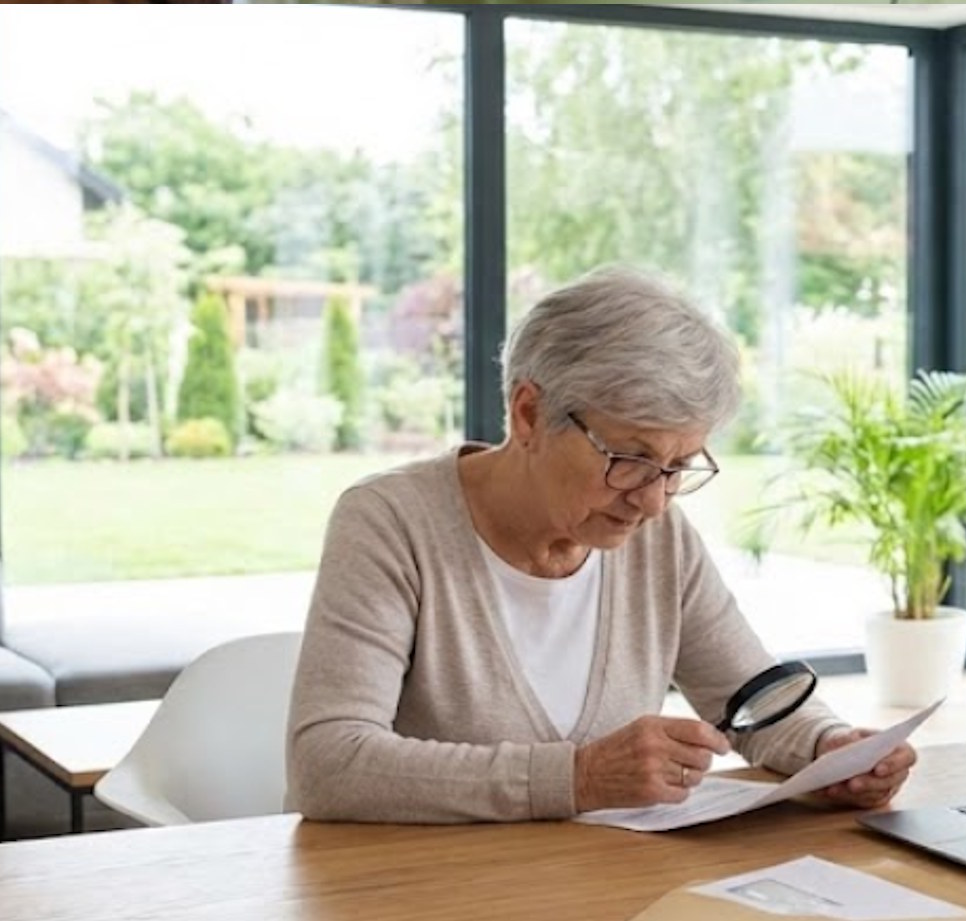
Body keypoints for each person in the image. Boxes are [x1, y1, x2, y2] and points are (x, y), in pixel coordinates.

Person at [286, 267, 917, 824]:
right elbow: (329, 763)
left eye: (680, 465)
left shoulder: (658, 536)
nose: (653, 500)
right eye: (630, 457)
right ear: (529, 413)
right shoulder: (391, 522)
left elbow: (751, 698)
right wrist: (578, 778)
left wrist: (831, 749)